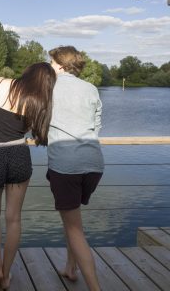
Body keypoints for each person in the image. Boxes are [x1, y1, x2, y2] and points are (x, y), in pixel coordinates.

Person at [0, 62, 56, 290]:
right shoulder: (38, 103)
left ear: (29, 72)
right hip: (19, 155)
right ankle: (6, 275)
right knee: (14, 218)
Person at [47, 46, 104, 291]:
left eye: (50, 62)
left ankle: (94, 288)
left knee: (74, 227)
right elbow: (96, 125)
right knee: (73, 220)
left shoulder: (49, 87)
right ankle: (70, 269)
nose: (49, 66)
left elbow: (38, 120)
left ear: (60, 65)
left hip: (65, 165)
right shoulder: (91, 88)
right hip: (93, 163)